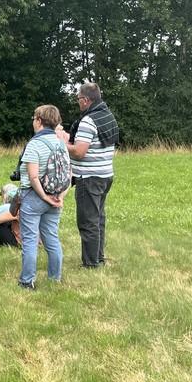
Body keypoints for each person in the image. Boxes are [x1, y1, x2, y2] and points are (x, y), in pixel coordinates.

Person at [59, 82, 119, 268]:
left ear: (85, 100)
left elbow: (79, 152)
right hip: (105, 175)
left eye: (78, 99)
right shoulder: (107, 116)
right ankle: (98, 257)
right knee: (99, 219)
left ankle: (91, 263)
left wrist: (60, 143)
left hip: (89, 177)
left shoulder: (88, 120)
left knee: (88, 221)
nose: (78, 103)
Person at [17, 105, 69, 289]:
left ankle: (27, 281)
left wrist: (44, 197)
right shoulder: (61, 143)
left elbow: (32, 177)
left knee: (30, 239)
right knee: (52, 238)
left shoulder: (34, 144)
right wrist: (59, 197)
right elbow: (67, 175)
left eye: (34, 118)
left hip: (34, 197)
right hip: (56, 196)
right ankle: (55, 278)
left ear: (39, 120)